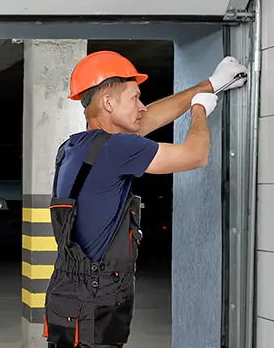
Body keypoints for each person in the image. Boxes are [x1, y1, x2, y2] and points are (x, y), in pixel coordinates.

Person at [42, 51, 248, 347]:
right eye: (134, 98)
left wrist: (211, 84)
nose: (141, 106)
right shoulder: (117, 149)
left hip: (68, 297)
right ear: (108, 103)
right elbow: (195, 155)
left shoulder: (75, 148)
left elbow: (144, 119)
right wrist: (200, 110)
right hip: (94, 305)